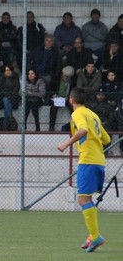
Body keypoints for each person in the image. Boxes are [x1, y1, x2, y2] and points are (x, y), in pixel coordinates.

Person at [57, 87, 110, 253]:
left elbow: (83, 130)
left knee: (82, 200)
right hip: (99, 160)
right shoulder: (93, 114)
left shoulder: (77, 113)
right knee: (87, 199)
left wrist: (66, 144)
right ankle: (93, 235)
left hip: (87, 160)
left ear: (71, 100)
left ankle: (95, 237)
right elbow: (106, 139)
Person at [49, 66, 74, 131]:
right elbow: (51, 90)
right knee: (53, 107)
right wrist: (56, 96)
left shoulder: (72, 82)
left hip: (67, 98)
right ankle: (51, 126)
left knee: (73, 107)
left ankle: (74, 124)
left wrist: (68, 97)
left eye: (68, 77)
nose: (66, 78)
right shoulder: (56, 80)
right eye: (65, 76)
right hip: (58, 98)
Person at [0, 65, 20, 131]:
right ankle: (10, 117)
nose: (7, 72)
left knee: (7, 104)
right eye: (6, 70)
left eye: (9, 70)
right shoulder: (1, 77)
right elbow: (1, 89)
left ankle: (6, 127)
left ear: (12, 71)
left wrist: (11, 95)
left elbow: (17, 88)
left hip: (13, 97)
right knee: (6, 100)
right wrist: (7, 95)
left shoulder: (15, 77)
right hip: (3, 97)